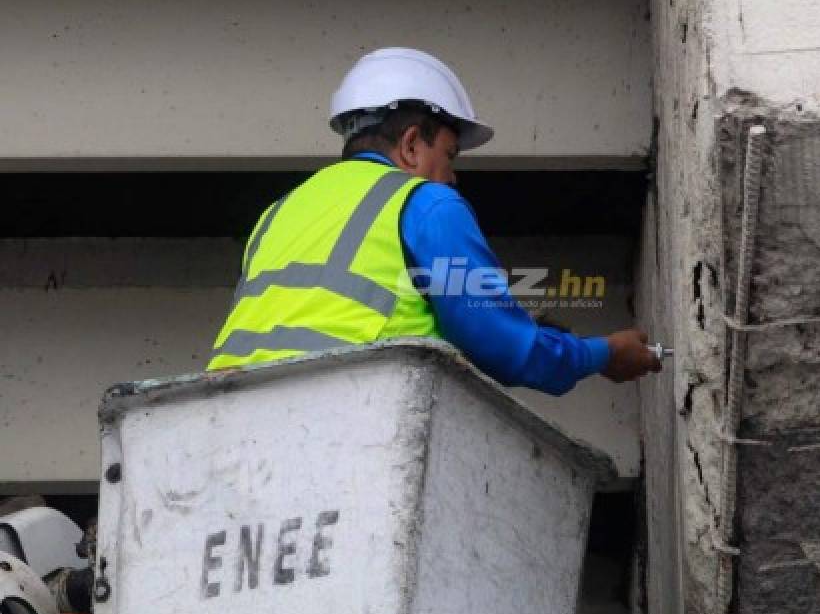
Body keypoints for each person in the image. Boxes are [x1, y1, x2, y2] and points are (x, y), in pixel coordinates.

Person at [207, 47, 660, 394]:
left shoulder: (279, 212)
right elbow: (505, 349)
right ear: (410, 145)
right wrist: (602, 354)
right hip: (347, 412)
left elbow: (346, 313)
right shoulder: (424, 203)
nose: (453, 175)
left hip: (231, 419)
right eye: (449, 154)